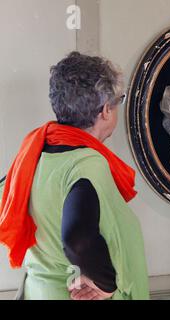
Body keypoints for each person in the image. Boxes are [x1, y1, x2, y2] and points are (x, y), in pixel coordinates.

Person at [0, 52, 149, 300]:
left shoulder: (33, 154)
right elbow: (77, 237)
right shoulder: (86, 165)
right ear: (105, 110)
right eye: (117, 101)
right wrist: (106, 282)